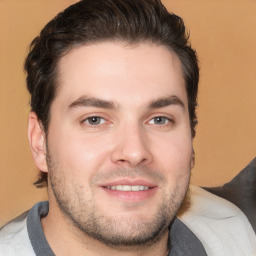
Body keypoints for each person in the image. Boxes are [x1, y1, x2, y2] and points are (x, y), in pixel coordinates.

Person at [0, 0, 255, 255]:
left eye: (160, 119)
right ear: (39, 141)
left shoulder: (238, 232)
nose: (134, 152)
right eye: (95, 120)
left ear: (191, 134)